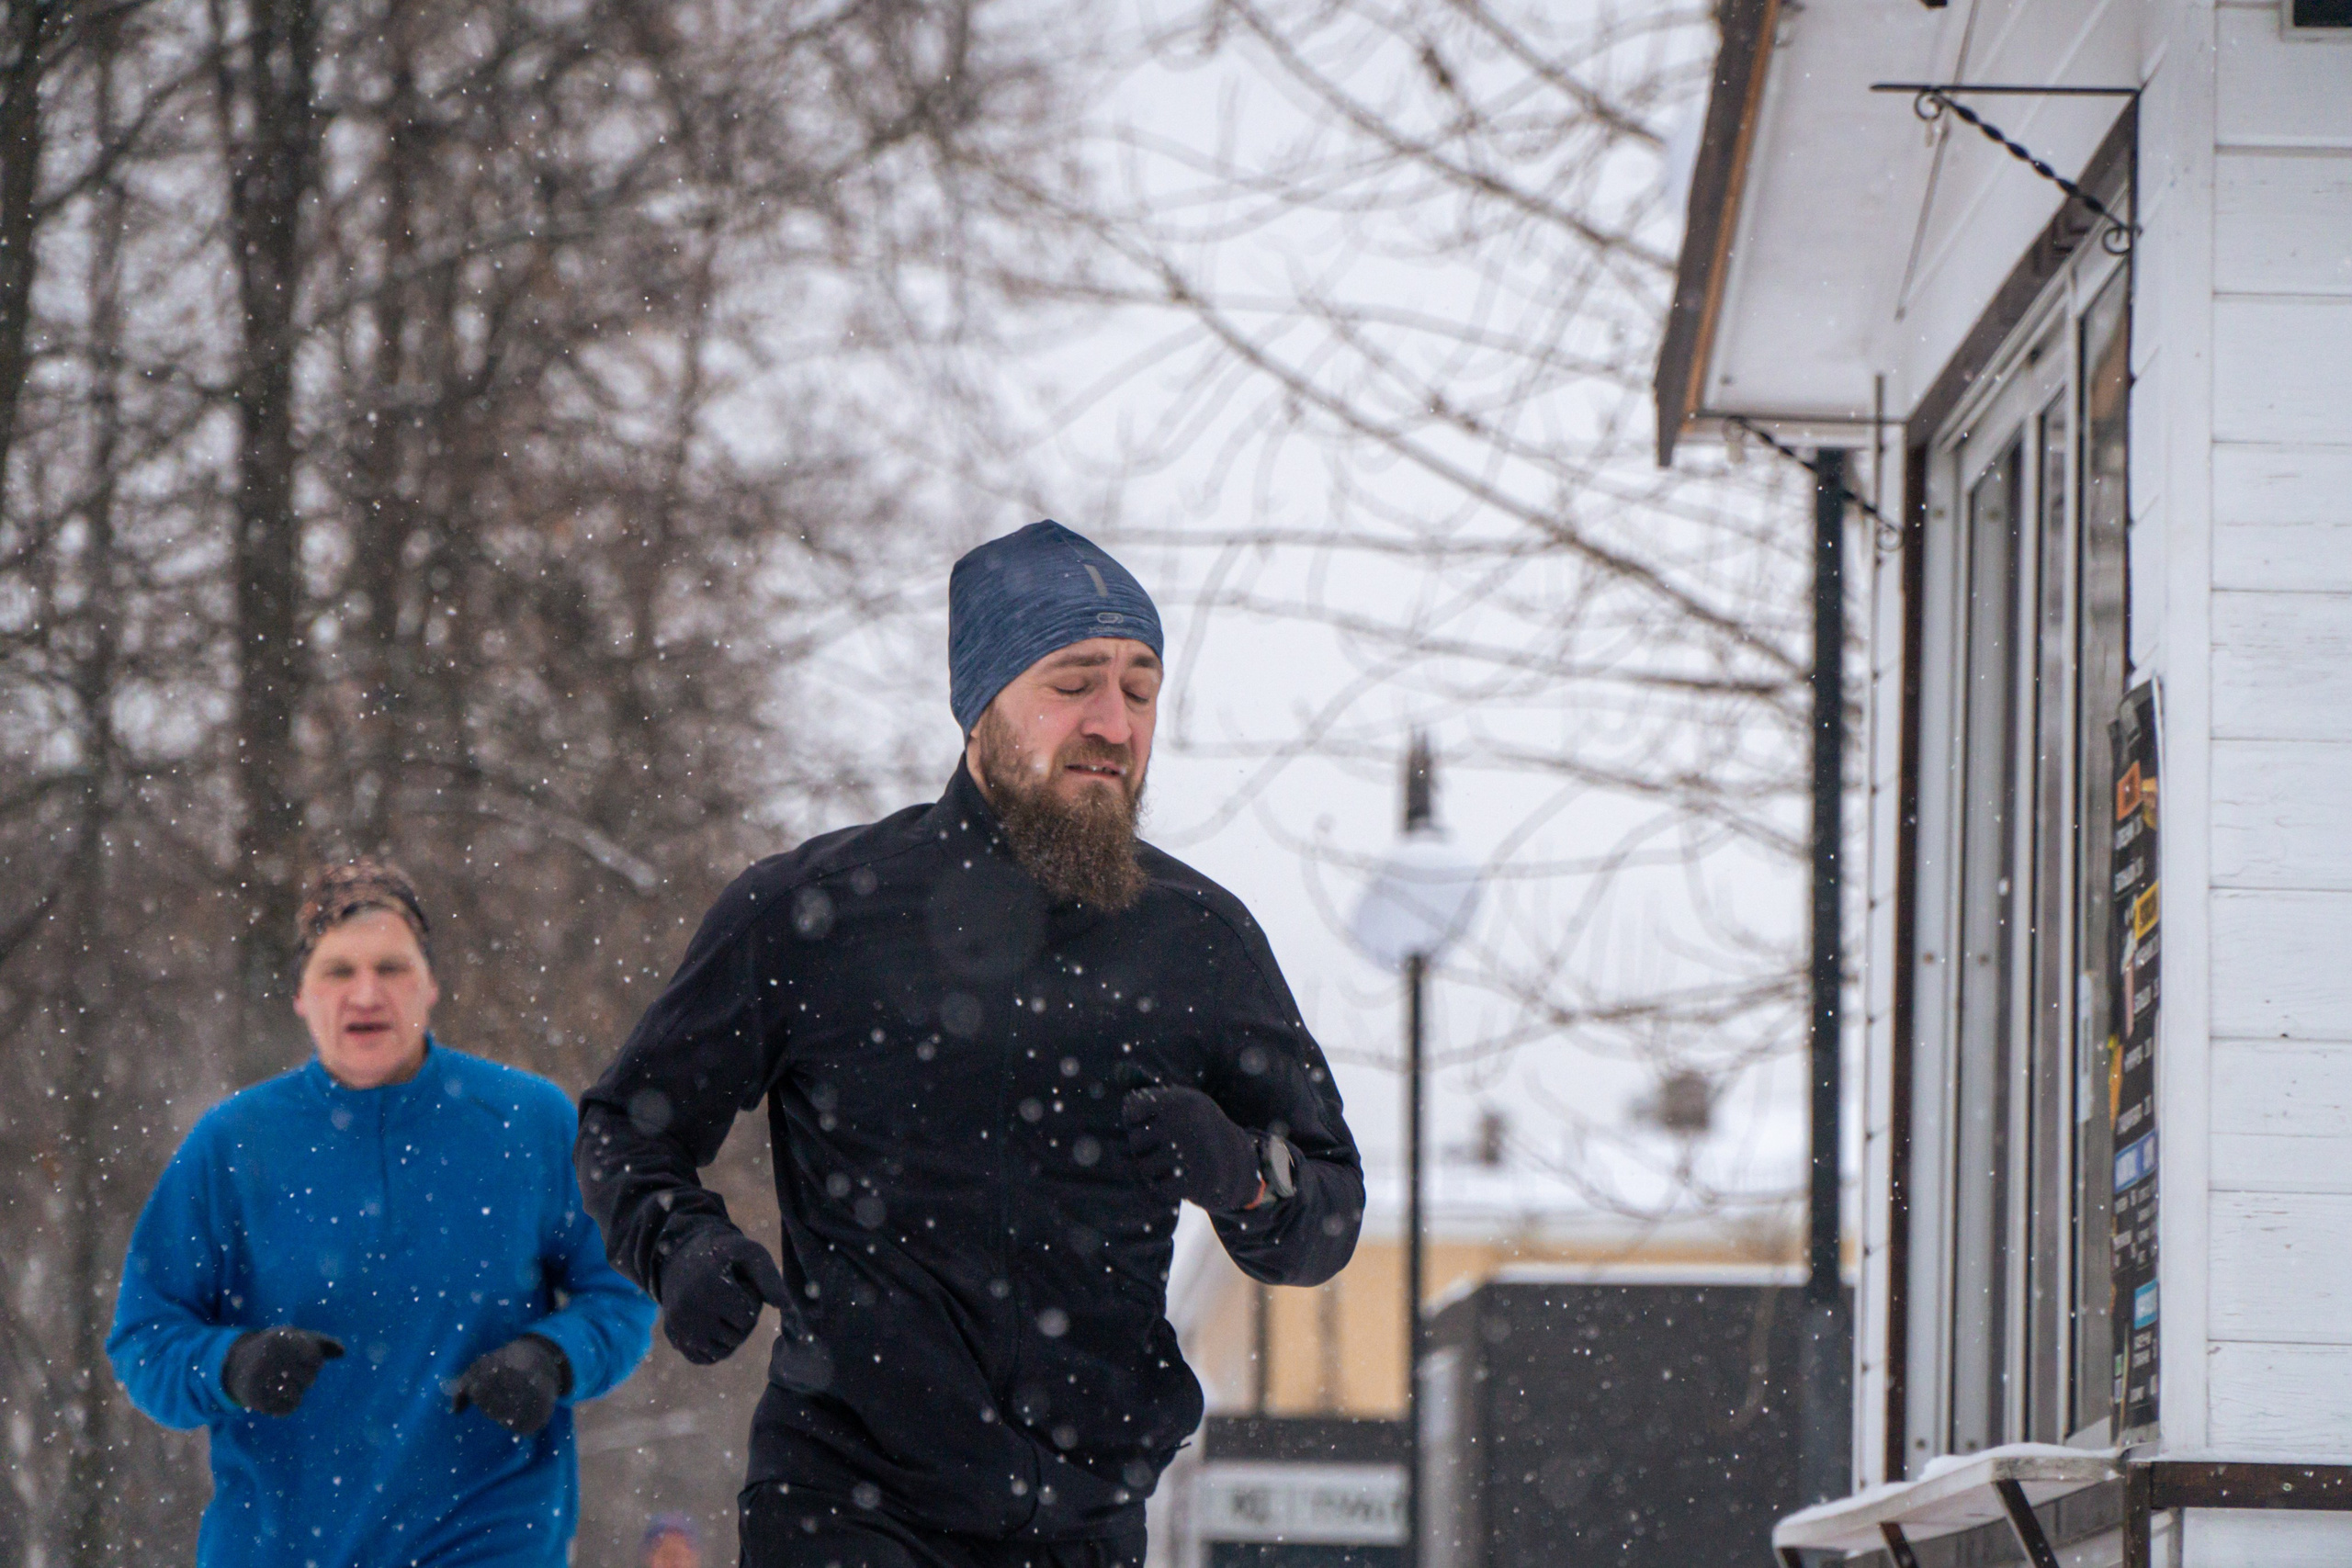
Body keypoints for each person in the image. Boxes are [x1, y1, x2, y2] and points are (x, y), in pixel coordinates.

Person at [577, 520, 1365, 1568]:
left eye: (1139, 688)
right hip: (846, 1507)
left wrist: (1248, 1183)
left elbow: (1328, 1209)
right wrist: (681, 1246)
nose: (1113, 722)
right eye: (1073, 681)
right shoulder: (812, 912)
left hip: (1086, 1524)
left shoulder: (1200, 942)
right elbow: (626, 1130)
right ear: (980, 704)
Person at [108, 859, 658, 1567]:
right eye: (338, 970)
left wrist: (553, 1357)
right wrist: (229, 1361)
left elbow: (621, 1290)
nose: (366, 992)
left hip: (488, 1537)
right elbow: (144, 1335)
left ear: (429, 985)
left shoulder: (528, 1122)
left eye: (391, 967)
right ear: (303, 994)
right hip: (281, 1546)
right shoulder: (234, 1144)